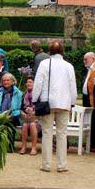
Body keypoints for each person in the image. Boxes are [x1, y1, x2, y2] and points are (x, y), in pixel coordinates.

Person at [32, 41, 77, 173]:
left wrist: (35, 99)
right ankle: (62, 165)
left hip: (48, 102)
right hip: (64, 103)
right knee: (62, 134)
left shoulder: (44, 64)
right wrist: (72, 102)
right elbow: (73, 86)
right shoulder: (69, 66)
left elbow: (38, 83)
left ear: (49, 51)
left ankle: (46, 165)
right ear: (62, 51)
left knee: (47, 133)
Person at [0, 73, 23, 151]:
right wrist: (0, 114)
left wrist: (10, 114)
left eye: (8, 80)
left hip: (13, 116)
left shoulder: (18, 93)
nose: (6, 82)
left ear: (12, 81)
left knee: (10, 121)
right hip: (0, 115)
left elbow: (19, 108)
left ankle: (10, 146)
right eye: (4, 80)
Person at [20, 77, 39, 155]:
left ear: (35, 84)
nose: (28, 83)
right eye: (27, 82)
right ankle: (23, 147)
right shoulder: (24, 95)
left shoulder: (38, 95)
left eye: (30, 82)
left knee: (32, 124)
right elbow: (20, 108)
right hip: (26, 119)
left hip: (37, 120)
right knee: (24, 125)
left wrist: (34, 113)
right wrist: (23, 113)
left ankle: (33, 148)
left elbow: (41, 109)